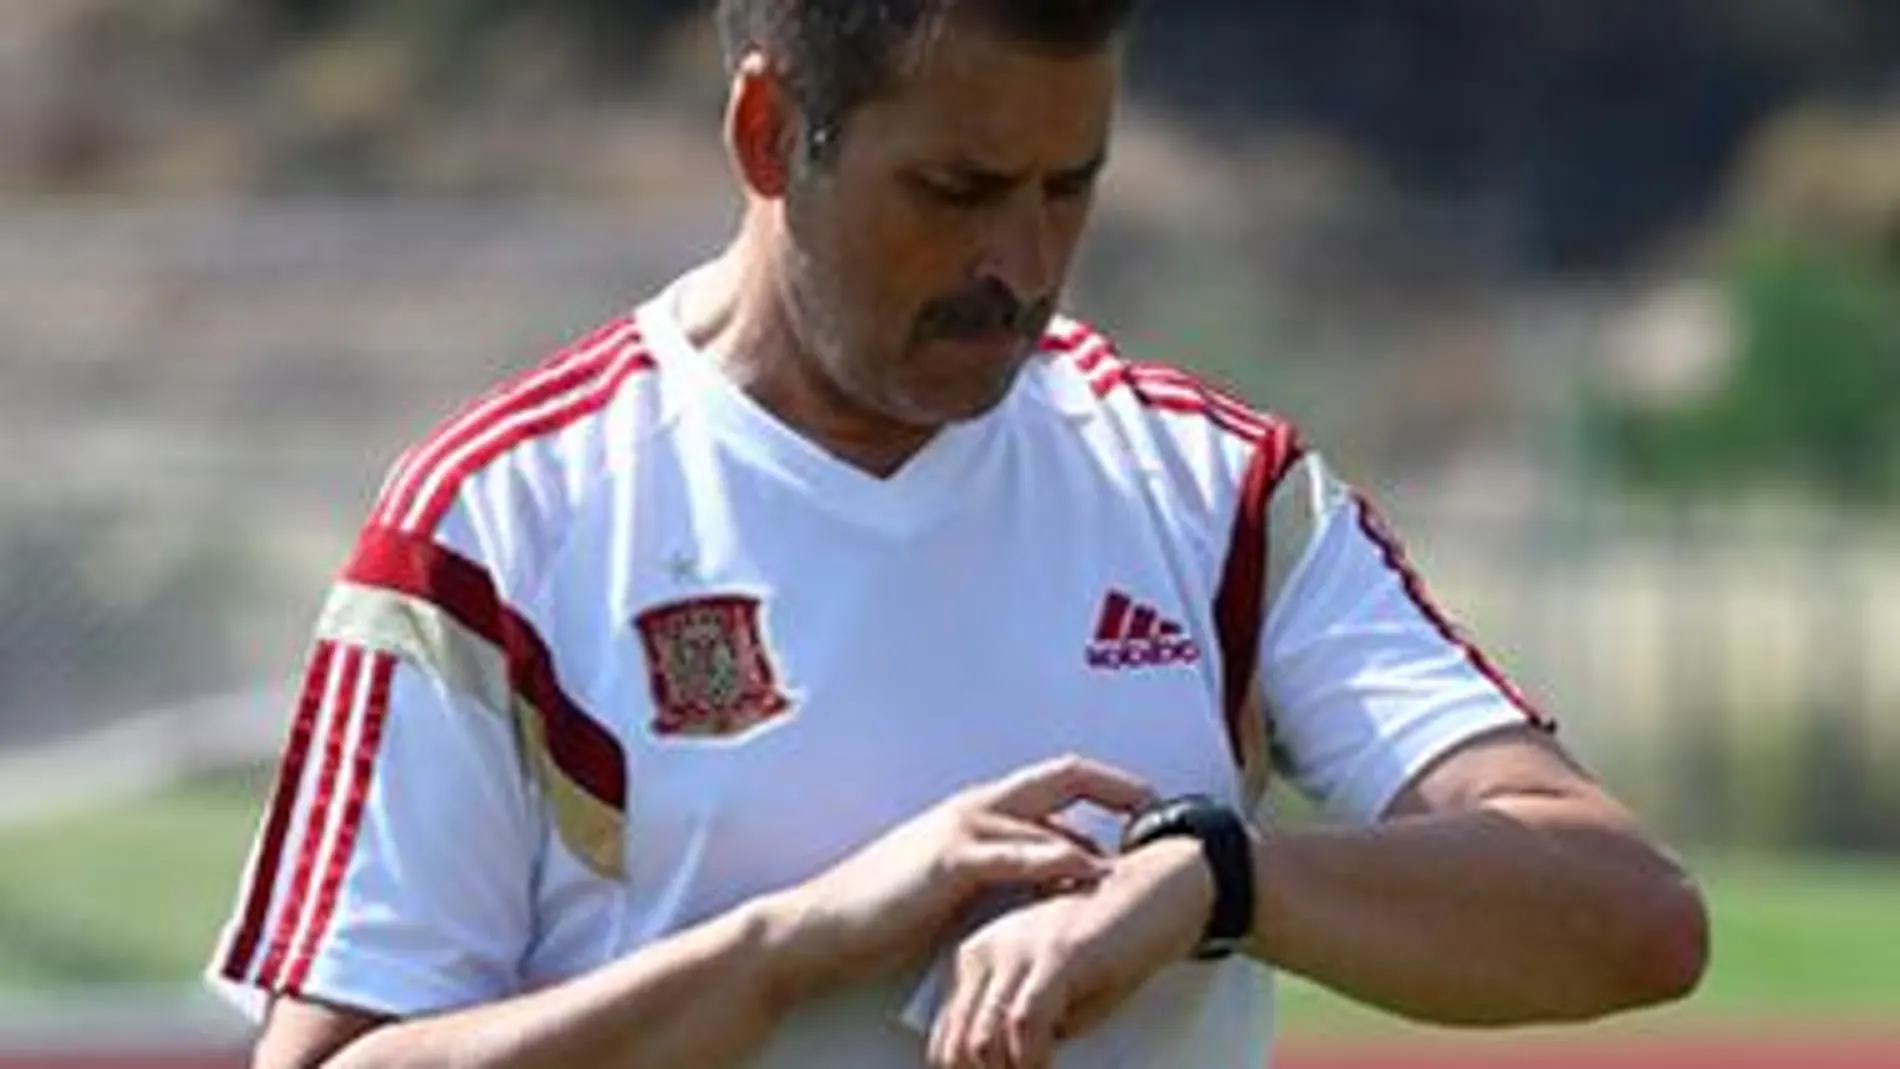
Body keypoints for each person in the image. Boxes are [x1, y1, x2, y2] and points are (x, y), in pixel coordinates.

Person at [208, 1, 1710, 1066]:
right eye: (957, 190)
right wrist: (790, 947)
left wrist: (1219, 880)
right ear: (767, 131)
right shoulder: (501, 520)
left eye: (1072, 188)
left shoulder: (1213, 492)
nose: (1022, 264)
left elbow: (1631, 916)